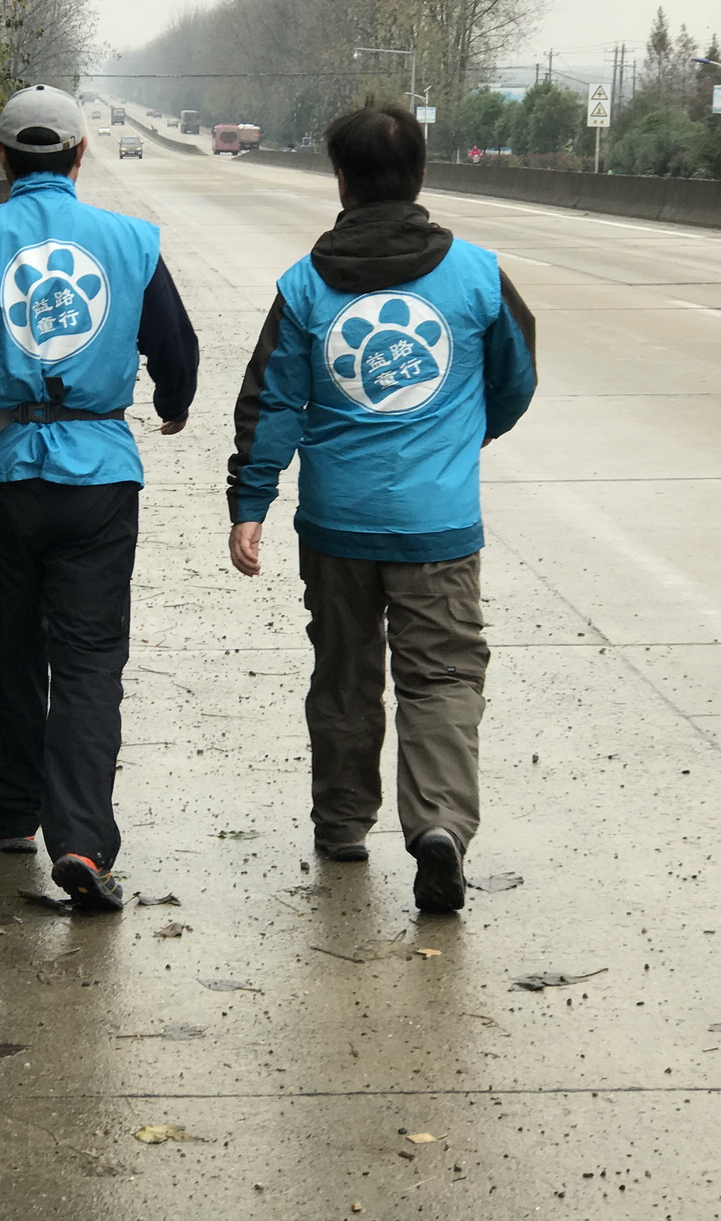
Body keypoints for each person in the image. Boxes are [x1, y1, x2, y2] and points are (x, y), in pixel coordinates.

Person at [225, 102, 536, 913]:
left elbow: (272, 403)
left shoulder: (303, 286)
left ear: (342, 180)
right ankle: (438, 825)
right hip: (440, 526)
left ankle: (342, 824)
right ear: (421, 174)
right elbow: (516, 380)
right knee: (443, 675)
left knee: (345, 674)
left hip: (337, 525)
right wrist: (469, 433)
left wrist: (250, 501)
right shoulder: (477, 275)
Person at [0, 84, 199, 909]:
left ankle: (12, 813)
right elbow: (175, 346)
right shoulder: (131, 241)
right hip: (99, 478)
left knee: (13, 645)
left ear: (1, 158)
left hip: (1, 478)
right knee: (89, 660)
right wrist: (172, 402)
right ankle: (81, 841)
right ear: (81, 154)